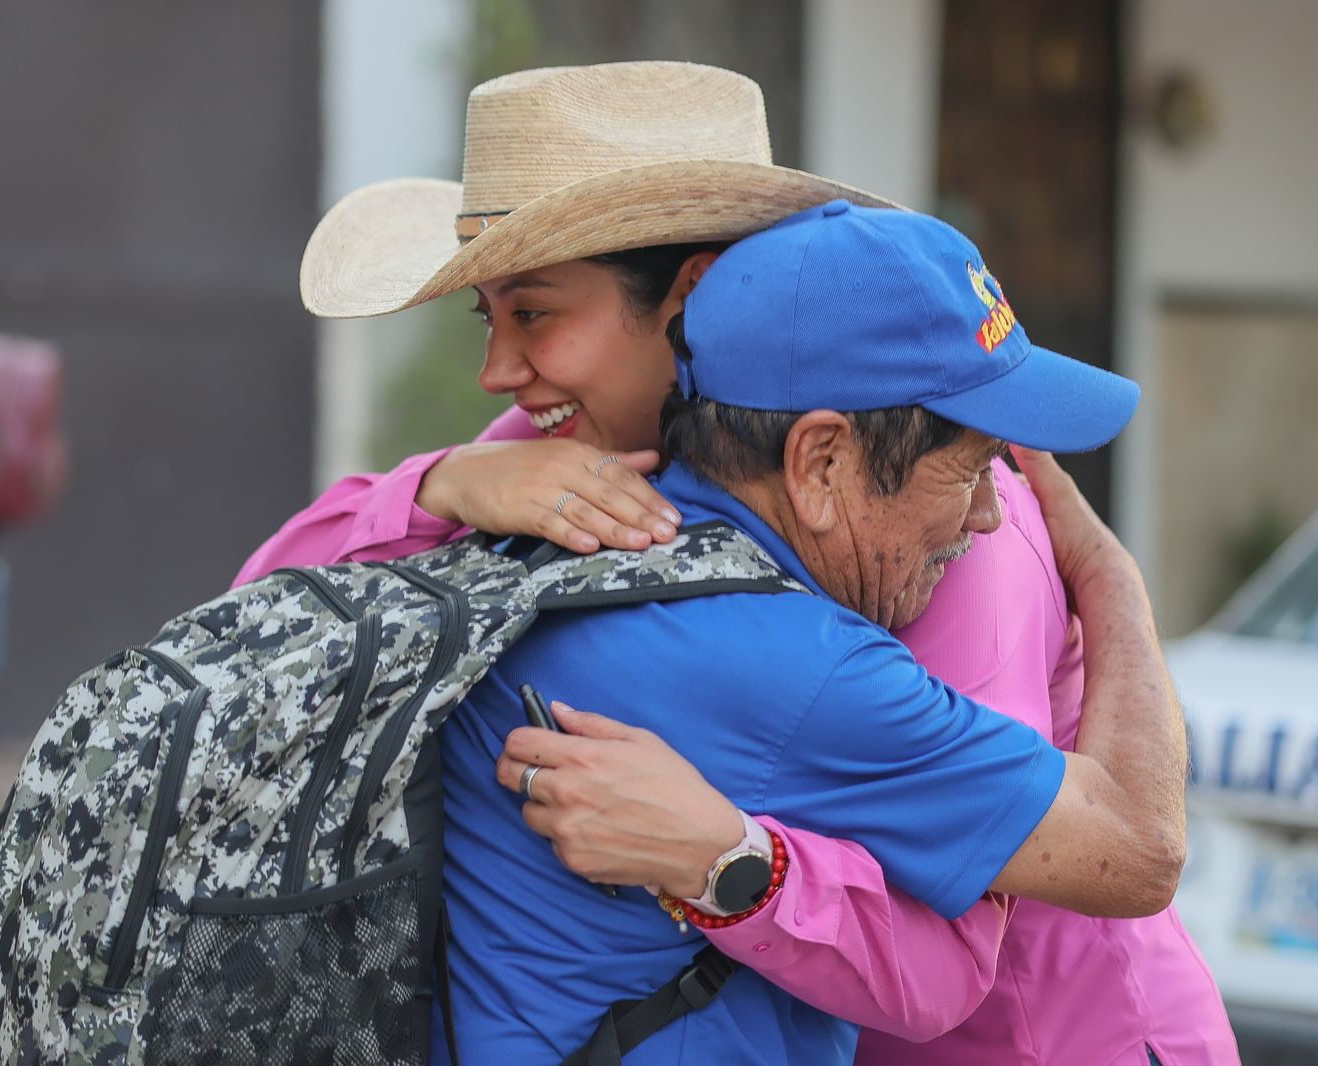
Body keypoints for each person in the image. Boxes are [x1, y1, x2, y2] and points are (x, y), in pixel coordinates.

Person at [242, 63, 1235, 1064]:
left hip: (1054, 1035)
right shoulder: (558, 461)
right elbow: (266, 617)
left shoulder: (951, 526)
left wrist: (724, 861)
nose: (497, 369)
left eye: (534, 314)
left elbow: (996, 924)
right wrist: (440, 483)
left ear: (693, 296)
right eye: (487, 317)